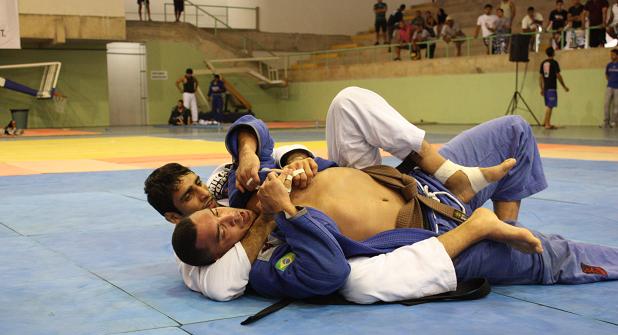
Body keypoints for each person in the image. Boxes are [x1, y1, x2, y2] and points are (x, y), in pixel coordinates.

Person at [171, 88, 618, 303]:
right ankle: (501, 236)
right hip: (433, 233)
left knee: (515, 131)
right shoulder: (265, 266)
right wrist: (284, 211)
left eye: (216, 213)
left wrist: (257, 154)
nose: (227, 218)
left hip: (422, 185)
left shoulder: (243, 190)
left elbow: (254, 127)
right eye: (221, 232)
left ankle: (484, 203)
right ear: (222, 254)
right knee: (554, 256)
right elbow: (328, 273)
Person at [539, 47, 570, 130]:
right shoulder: (554, 63)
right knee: (550, 105)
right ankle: (547, 124)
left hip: (546, 88)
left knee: (549, 105)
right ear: (553, 53)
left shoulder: (543, 63)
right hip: (551, 87)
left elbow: (541, 77)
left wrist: (541, 88)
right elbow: (558, 75)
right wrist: (564, 86)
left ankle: (545, 122)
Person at [603, 49, 618, 127]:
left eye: (613, 55)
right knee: (606, 104)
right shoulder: (609, 65)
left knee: (616, 105)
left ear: (617, 55)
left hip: (617, 88)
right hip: (609, 87)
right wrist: (610, 81)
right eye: (611, 55)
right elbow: (606, 75)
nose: (611, 56)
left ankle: (614, 122)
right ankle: (606, 122)